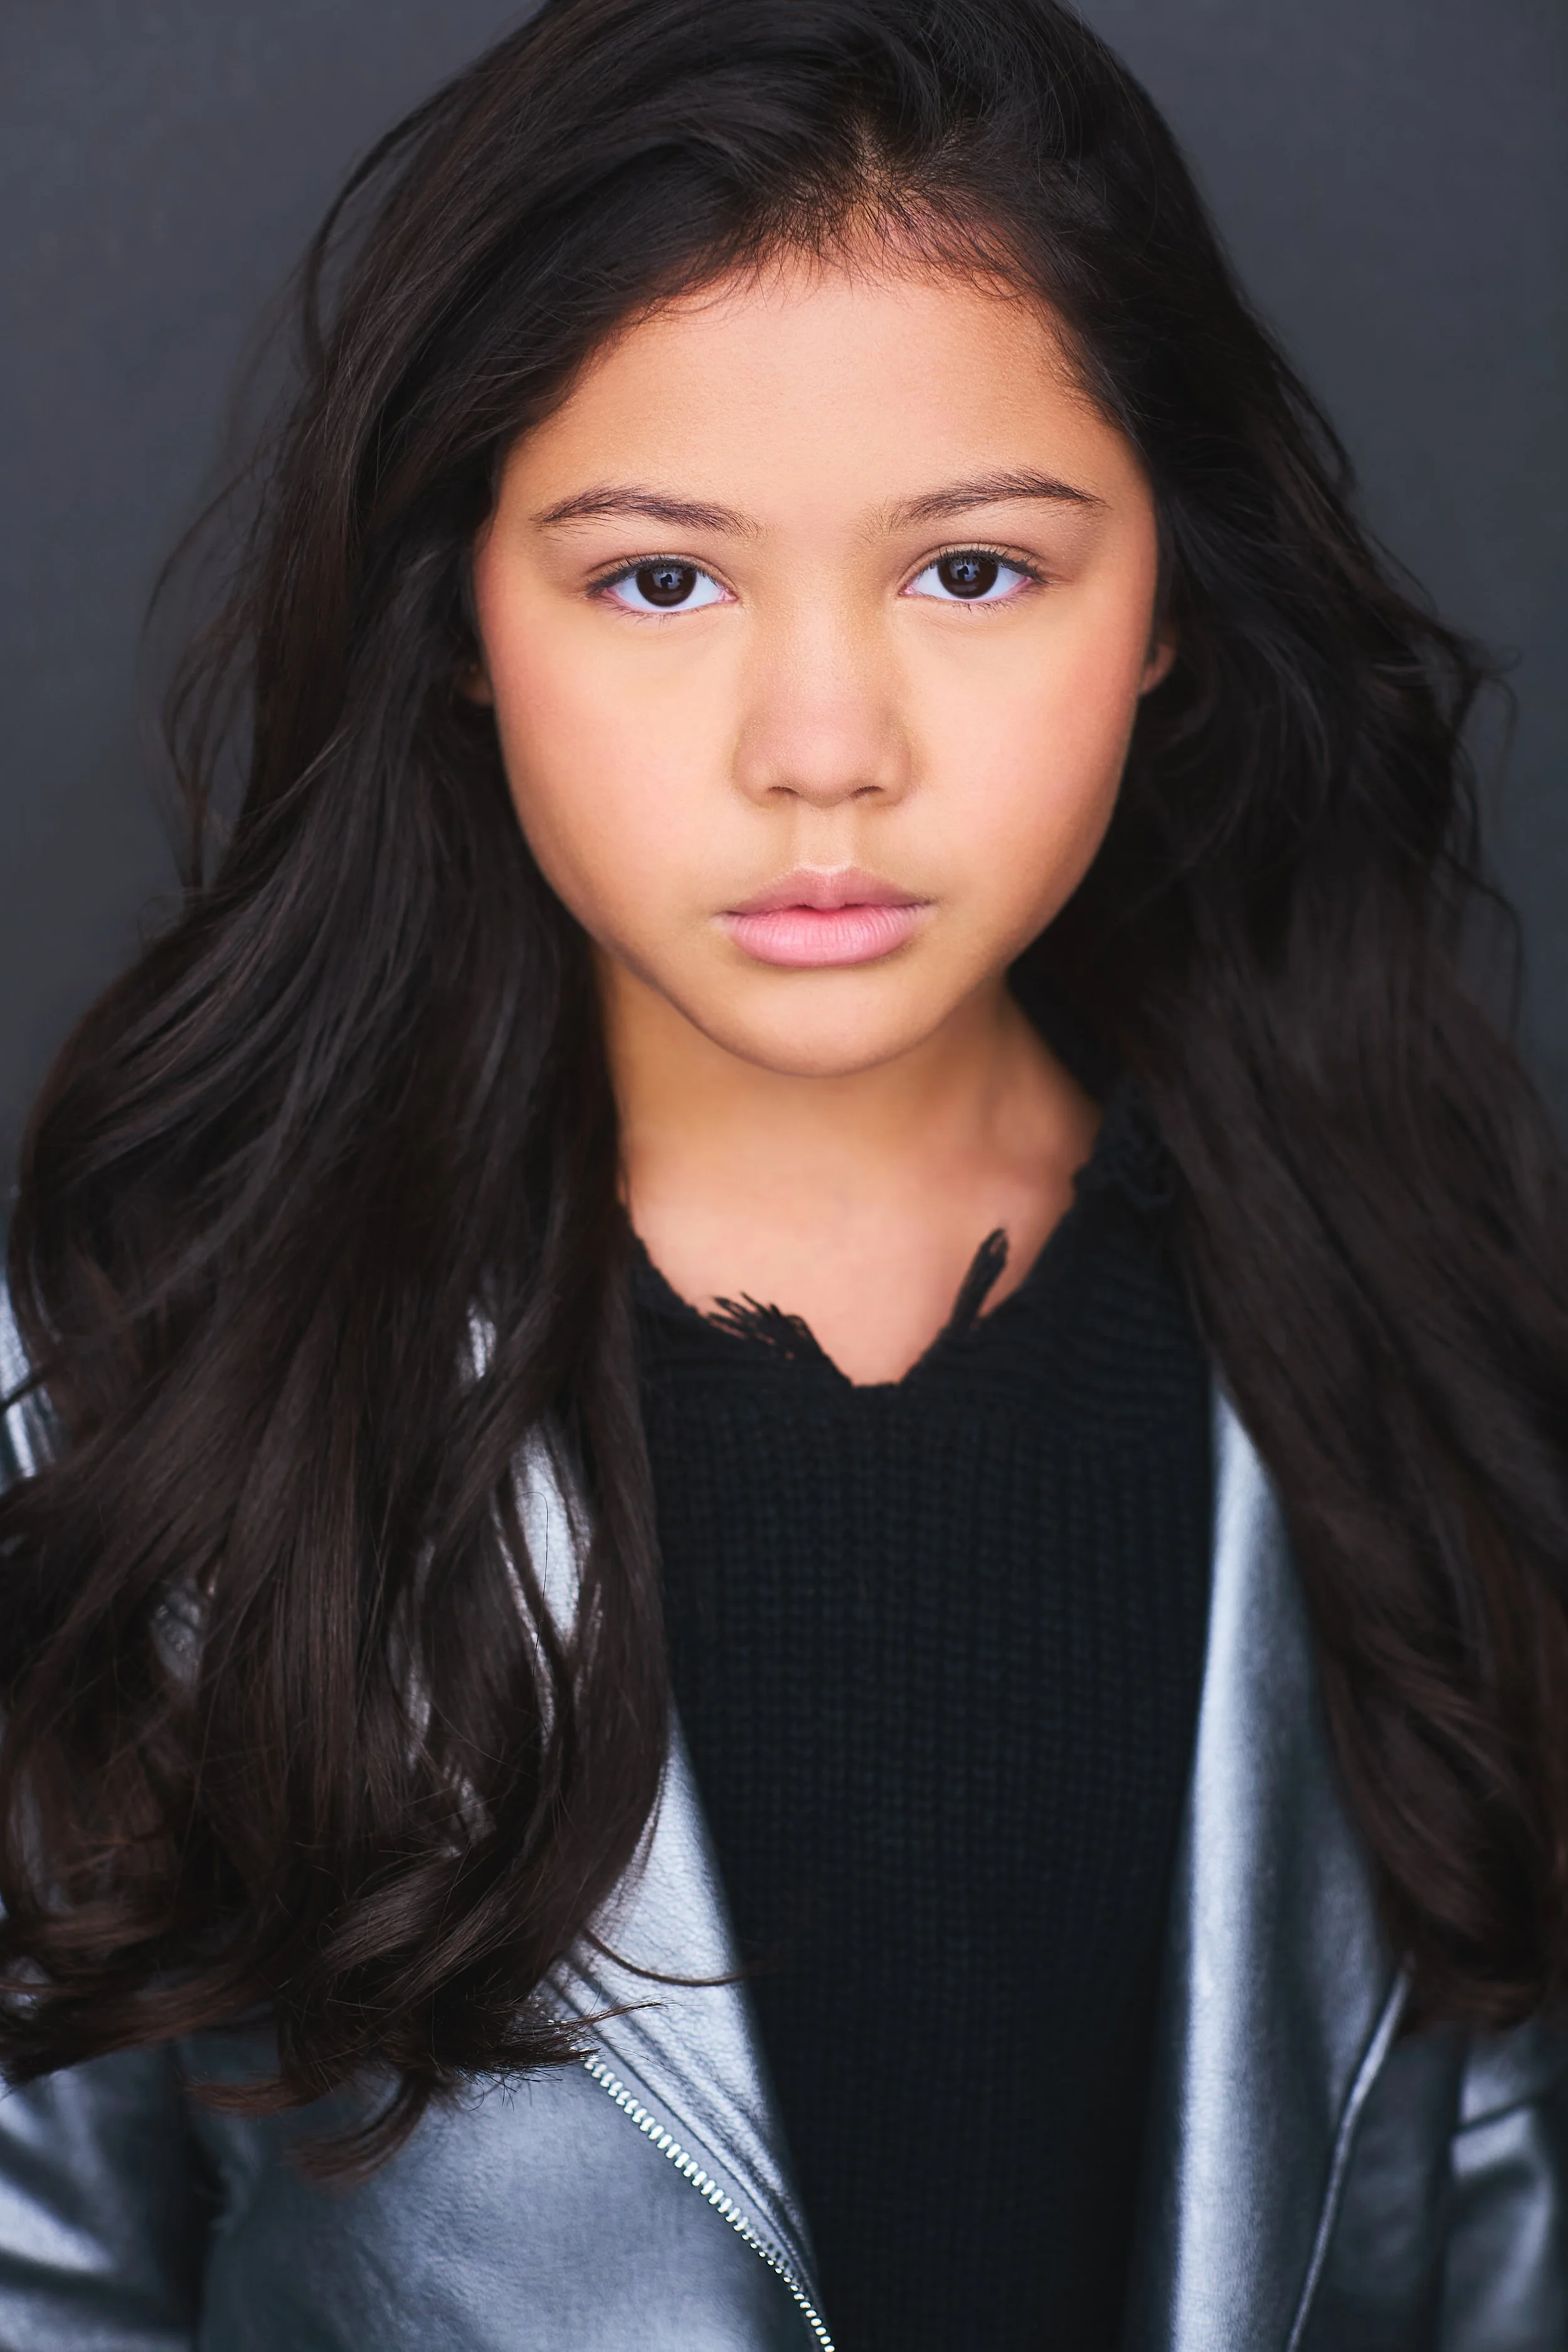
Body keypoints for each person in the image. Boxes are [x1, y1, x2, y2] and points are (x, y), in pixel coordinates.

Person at [1, 0, 1565, 2343]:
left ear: (1167, 599)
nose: (820, 750)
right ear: (462, 618)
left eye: (972, 571)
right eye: (660, 579)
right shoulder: (130, 1380)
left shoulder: (1414, 1324)